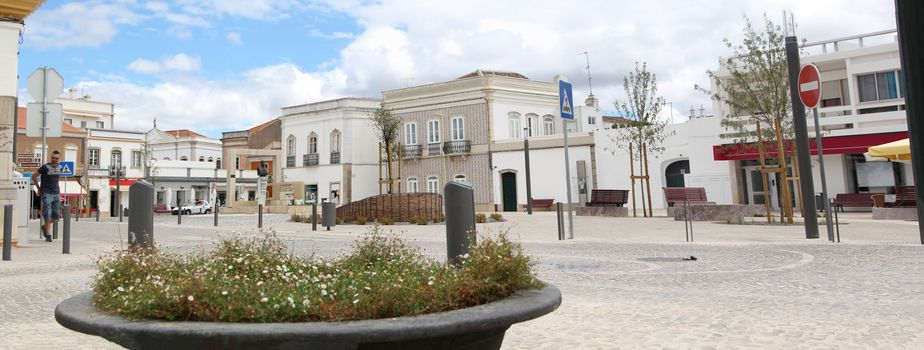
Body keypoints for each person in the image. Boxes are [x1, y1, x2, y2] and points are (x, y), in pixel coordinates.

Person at [32, 150, 62, 242]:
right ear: (51, 157)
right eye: (53, 158)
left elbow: (56, 180)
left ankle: (44, 227)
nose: (54, 160)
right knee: (47, 214)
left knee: (56, 215)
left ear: (59, 159)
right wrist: (38, 188)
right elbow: (34, 176)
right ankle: (48, 235)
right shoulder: (45, 167)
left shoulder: (60, 167)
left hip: (56, 193)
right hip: (46, 193)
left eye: (56, 158)